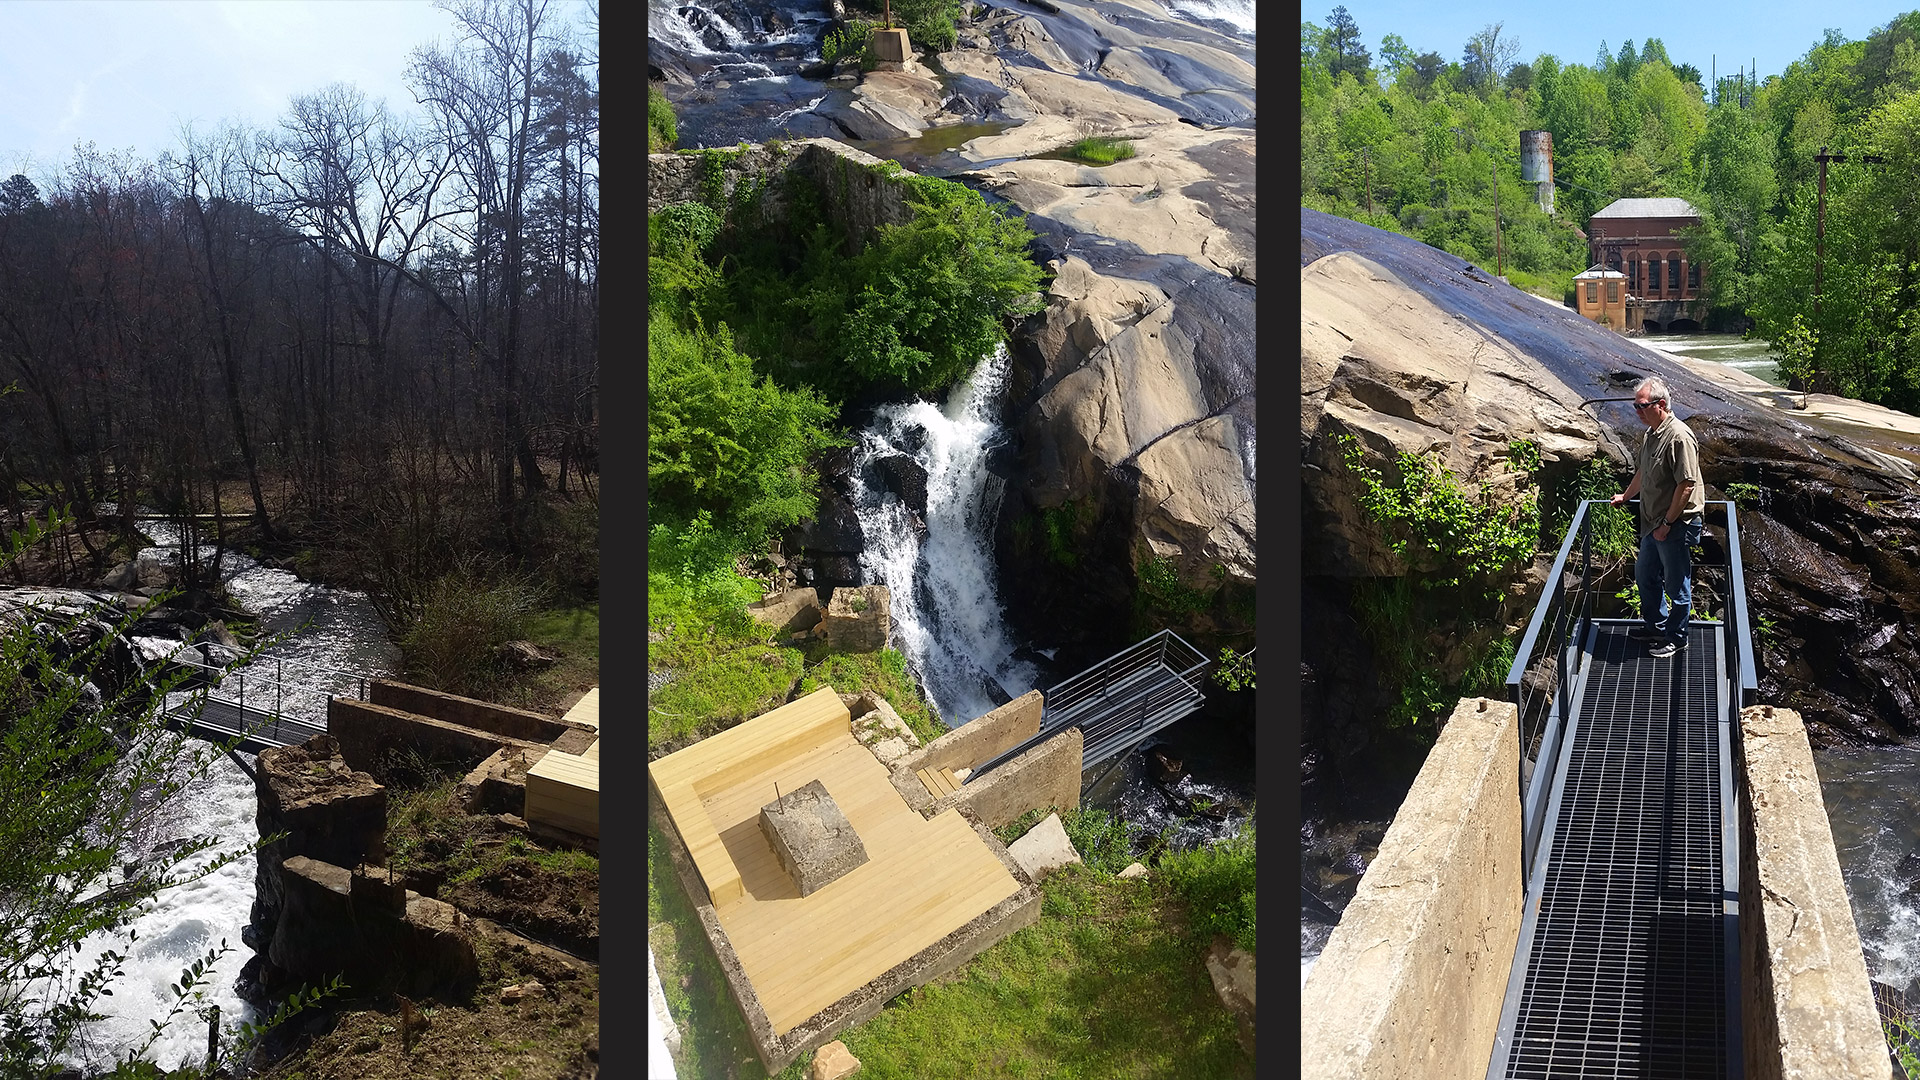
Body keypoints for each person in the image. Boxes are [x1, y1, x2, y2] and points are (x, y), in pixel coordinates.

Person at [1610, 376, 1706, 658]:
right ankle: (1656, 626)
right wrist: (1626, 497)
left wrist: (1667, 524)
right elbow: (1643, 472)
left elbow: (1686, 485)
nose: (1636, 411)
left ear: (1660, 404)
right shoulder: (1651, 434)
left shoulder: (1679, 436)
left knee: (1677, 584)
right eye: (1635, 406)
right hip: (1654, 523)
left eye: (1641, 406)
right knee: (1645, 575)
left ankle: (1677, 638)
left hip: (1675, 524)